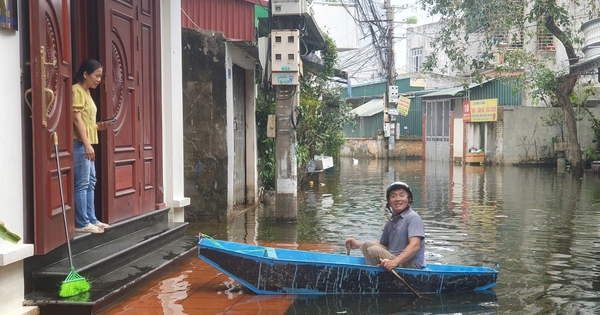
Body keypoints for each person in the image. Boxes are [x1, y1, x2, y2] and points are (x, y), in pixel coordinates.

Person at [345, 181, 426, 270]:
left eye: (402, 195)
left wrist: (394, 262)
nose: (398, 199)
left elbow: (415, 245)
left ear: (409, 200)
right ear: (389, 202)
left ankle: (374, 277)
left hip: (410, 265)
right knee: (367, 245)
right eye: (393, 196)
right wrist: (357, 245)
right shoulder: (392, 220)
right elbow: (383, 243)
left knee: (373, 251)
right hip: (394, 257)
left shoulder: (413, 218)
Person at [72, 59, 111, 233]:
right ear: (85, 74)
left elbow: (86, 121)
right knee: (82, 183)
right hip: (80, 144)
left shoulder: (87, 92)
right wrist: (87, 144)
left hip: (86, 143)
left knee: (91, 182)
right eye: (96, 75)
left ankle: (92, 219)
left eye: (100, 76)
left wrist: (97, 126)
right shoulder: (76, 90)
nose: (98, 80)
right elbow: (76, 119)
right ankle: (82, 223)